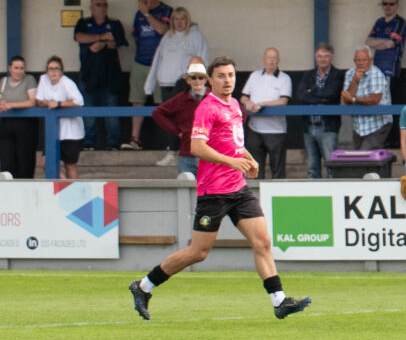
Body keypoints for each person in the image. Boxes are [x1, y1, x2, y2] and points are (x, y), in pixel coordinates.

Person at [129, 56, 311, 321]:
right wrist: (233, 161)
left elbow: (234, 143)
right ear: (210, 80)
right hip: (213, 191)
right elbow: (197, 147)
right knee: (198, 253)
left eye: (231, 75)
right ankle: (144, 286)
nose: (228, 81)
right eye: (222, 76)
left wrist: (248, 158)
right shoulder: (206, 107)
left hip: (238, 189)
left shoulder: (235, 105)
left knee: (262, 242)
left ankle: (279, 300)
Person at [72, 0, 127, 150]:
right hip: (88, 73)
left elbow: (118, 42)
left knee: (112, 109)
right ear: (91, 7)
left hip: (110, 74)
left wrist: (102, 44)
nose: (102, 8)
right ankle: (89, 142)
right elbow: (79, 37)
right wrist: (102, 37)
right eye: (99, 4)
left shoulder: (115, 23)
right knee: (88, 109)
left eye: (105, 4)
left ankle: (113, 142)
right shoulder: (83, 22)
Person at [123, 0, 171, 150]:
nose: (140, 3)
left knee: (161, 104)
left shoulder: (166, 11)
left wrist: (148, 14)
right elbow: (136, 36)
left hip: (160, 64)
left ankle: (165, 142)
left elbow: (163, 30)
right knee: (137, 101)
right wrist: (143, 13)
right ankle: (135, 139)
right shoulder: (139, 14)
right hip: (140, 62)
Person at [147, 6, 208, 133]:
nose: (179, 22)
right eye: (176, 19)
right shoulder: (167, 37)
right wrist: (150, 84)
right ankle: (172, 148)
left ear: (188, 20)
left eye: (182, 19)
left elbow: (203, 59)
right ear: (171, 21)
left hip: (183, 82)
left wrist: (200, 83)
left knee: (183, 116)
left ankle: (184, 148)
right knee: (167, 117)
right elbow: (157, 60)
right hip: (165, 83)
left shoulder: (196, 36)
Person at [150, 63, 210, 183]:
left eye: (200, 77)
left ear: (206, 80)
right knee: (185, 195)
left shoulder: (215, 97)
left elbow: (239, 113)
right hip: (187, 154)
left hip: (211, 156)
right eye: (193, 77)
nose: (197, 80)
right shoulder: (180, 99)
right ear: (188, 80)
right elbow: (157, 113)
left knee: (212, 195)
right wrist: (177, 132)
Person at [291, 43, 345, 179]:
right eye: (320, 56)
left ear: (331, 57)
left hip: (327, 128)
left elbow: (332, 93)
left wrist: (313, 90)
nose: (323, 59)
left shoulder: (337, 74)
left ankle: (334, 197)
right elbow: (301, 95)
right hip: (309, 127)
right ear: (316, 57)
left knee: (332, 168)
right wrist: (322, 97)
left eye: (326, 56)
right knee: (312, 169)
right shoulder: (308, 74)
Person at [241, 47, 293, 179]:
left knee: (278, 171)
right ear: (263, 59)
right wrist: (247, 103)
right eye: (269, 57)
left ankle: (279, 197)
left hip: (276, 131)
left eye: (274, 58)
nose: (271, 61)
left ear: (278, 60)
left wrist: (262, 104)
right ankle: (256, 199)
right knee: (254, 170)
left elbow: (283, 101)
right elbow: (243, 97)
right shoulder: (254, 76)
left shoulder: (284, 78)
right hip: (255, 130)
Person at [0, 55, 41, 181]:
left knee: (25, 162)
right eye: (16, 68)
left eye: (22, 68)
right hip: (7, 126)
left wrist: (11, 105)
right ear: (10, 68)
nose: (19, 71)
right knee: (7, 163)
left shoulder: (29, 80)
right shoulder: (3, 82)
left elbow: (32, 101)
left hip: (26, 126)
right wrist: (0, 104)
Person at [34, 56, 85, 179]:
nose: (53, 71)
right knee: (45, 163)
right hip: (53, 132)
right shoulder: (44, 79)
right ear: (46, 71)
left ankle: (73, 192)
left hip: (71, 132)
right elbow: (39, 100)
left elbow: (79, 102)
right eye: (51, 69)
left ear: (62, 71)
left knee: (70, 165)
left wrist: (58, 104)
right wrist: (48, 103)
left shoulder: (67, 83)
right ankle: (66, 184)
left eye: (56, 69)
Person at [341, 47, 392, 150]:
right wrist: (354, 81)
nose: (361, 63)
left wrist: (354, 99)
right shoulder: (350, 74)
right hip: (358, 125)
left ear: (371, 60)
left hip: (377, 123)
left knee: (366, 156)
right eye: (358, 60)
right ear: (354, 61)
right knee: (359, 159)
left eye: (364, 60)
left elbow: (374, 100)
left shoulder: (377, 74)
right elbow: (346, 100)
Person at [369, 0, 406, 81]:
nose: (388, 6)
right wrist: (384, 41)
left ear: (397, 5)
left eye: (391, 4)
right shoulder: (379, 21)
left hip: (390, 68)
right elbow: (368, 42)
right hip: (376, 67)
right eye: (385, 4)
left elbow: (389, 44)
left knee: (388, 94)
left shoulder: (400, 23)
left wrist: (377, 42)